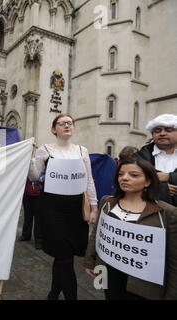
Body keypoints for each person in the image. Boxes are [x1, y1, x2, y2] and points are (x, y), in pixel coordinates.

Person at [83, 157, 177, 300]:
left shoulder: (167, 213)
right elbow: (97, 234)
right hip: (109, 273)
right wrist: (90, 261)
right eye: (121, 174)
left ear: (148, 181)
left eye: (134, 175)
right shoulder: (107, 202)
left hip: (141, 284)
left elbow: (172, 260)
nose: (124, 178)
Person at [28, 114, 98, 300]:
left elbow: (89, 181)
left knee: (64, 257)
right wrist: (29, 159)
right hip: (52, 209)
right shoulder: (44, 150)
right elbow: (35, 177)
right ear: (54, 129)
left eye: (70, 123)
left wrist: (94, 206)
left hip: (75, 210)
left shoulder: (82, 151)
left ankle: (52, 294)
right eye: (62, 123)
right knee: (64, 258)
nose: (67, 125)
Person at [135, 114, 177, 206]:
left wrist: (169, 177)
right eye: (157, 130)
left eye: (168, 130)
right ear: (152, 134)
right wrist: (162, 189)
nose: (162, 133)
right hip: (148, 214)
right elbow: (129, 181)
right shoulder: (138, 157)